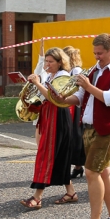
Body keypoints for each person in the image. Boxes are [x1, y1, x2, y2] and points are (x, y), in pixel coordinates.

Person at [56, 34, 110, 219]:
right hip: (90, 128)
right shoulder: (95, 70)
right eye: (95, 53)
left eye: (100, 53)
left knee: (91, 172)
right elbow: (81, 98)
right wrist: (62, 98)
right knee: (103, 172)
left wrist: (88, 86)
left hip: (108, 130)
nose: (97, 57)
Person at [21, 48, 77, 209]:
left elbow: (54, 98)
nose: (47, 64)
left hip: (58, 117)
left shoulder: (63, 76)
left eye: (51, 61)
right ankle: (71, 192)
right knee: (59, 156)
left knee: (47, 154)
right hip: (50, 116)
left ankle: (37, 197)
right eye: (46, 61)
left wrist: (38, 83)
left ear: (60, 62)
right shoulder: (52, 76)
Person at [63, 45, 86, 178]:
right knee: (73, 135)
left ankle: (78, 165)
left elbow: (78, 89)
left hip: (75, 106)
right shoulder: (71, 70)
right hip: (71, 104)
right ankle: (77, 165)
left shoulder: (76, 70)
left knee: (76, 135)